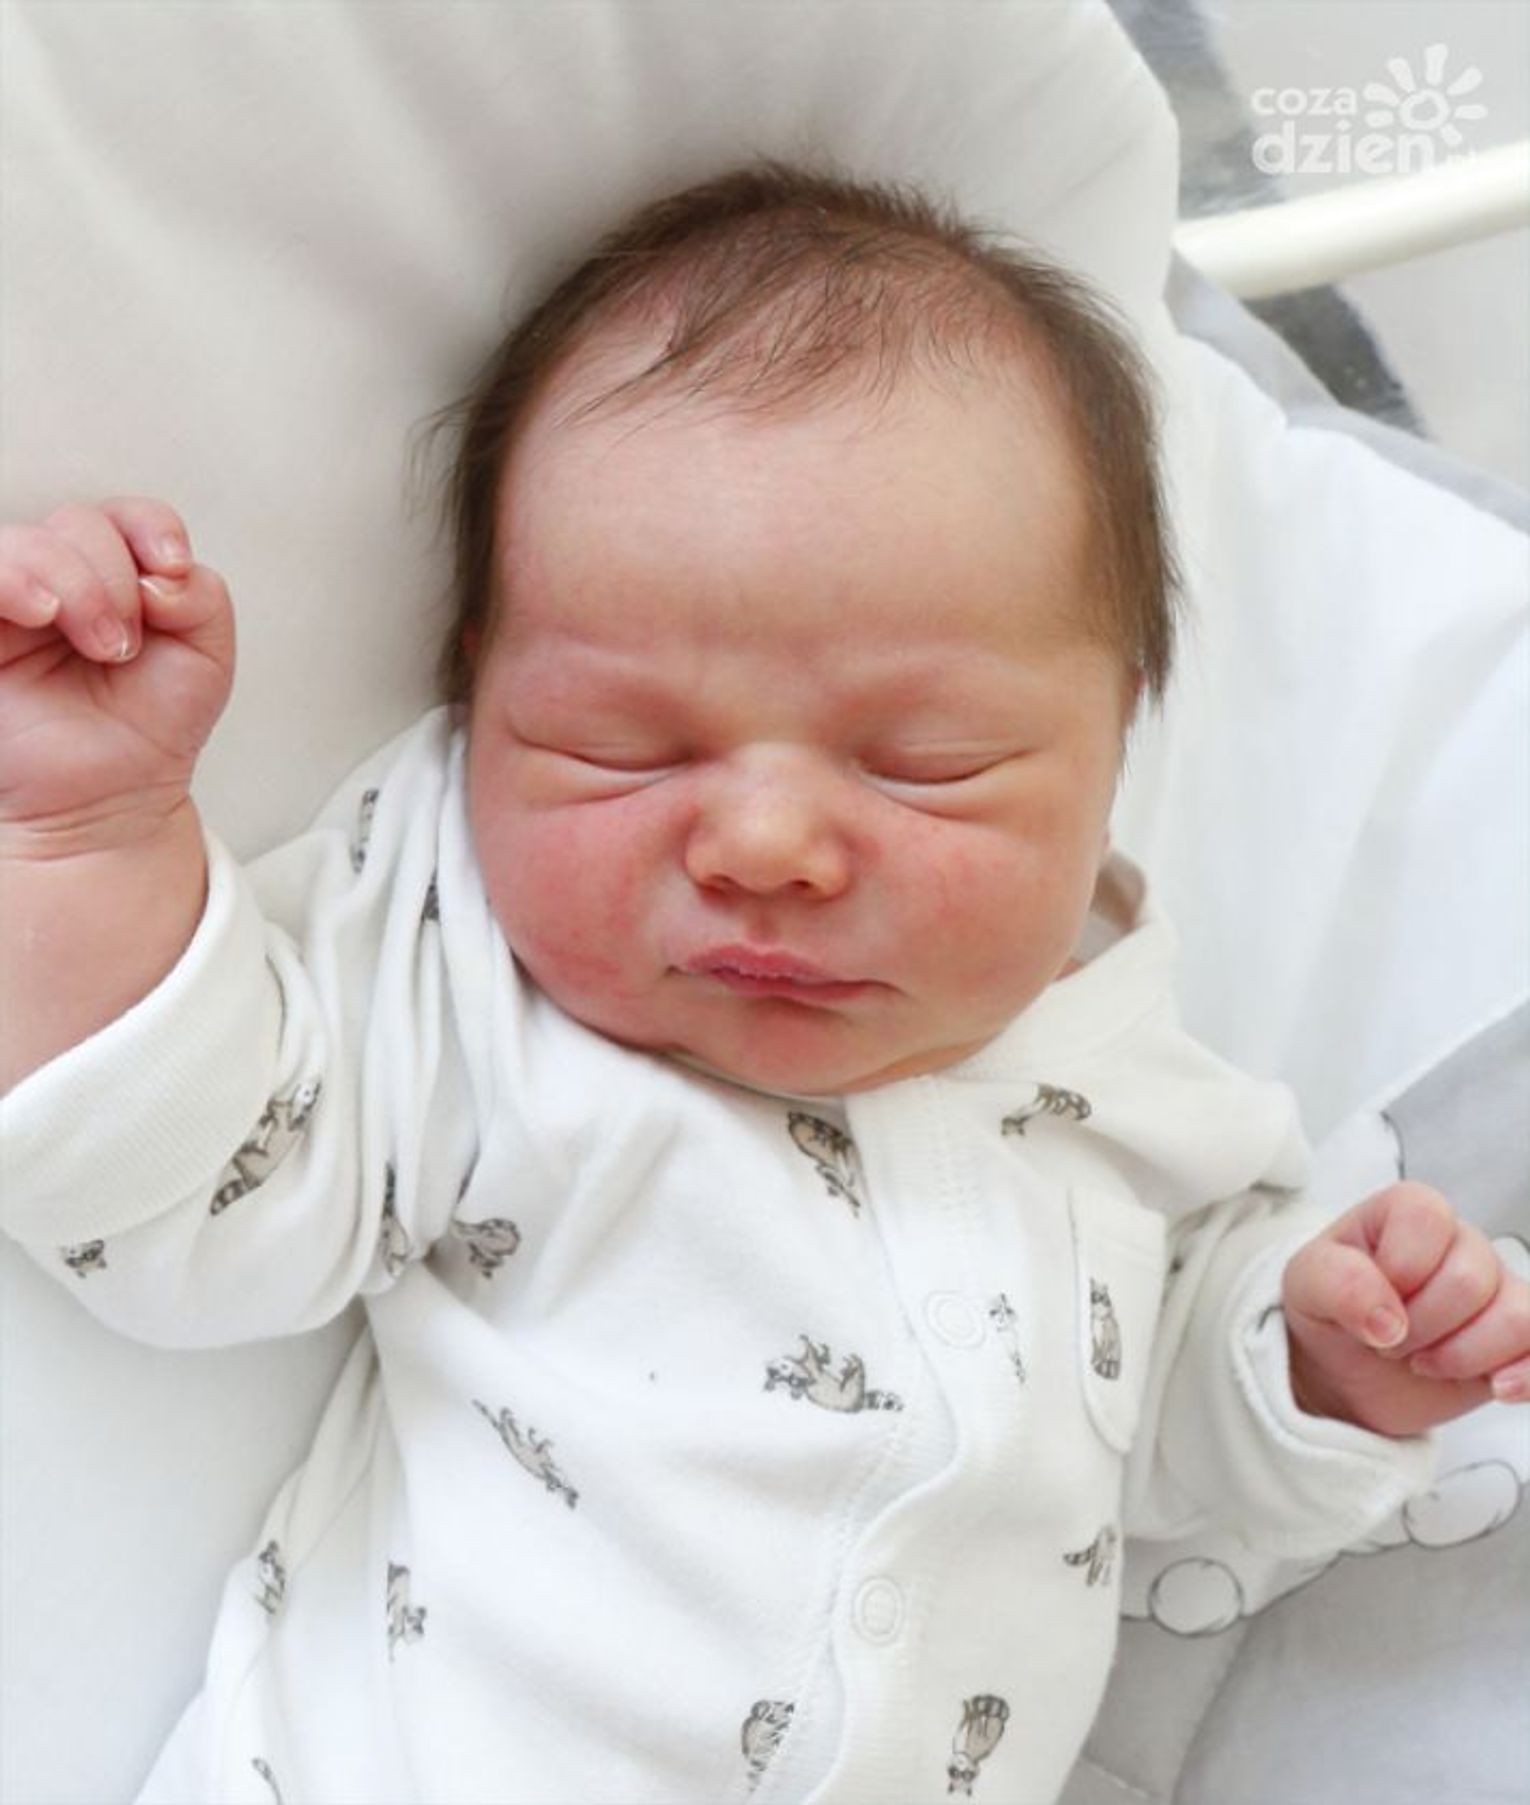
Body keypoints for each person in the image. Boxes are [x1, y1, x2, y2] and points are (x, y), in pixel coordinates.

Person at [2, 163, 1526, 1805]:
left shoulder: (1140, 1095)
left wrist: (1310, 1365)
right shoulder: (478, 996)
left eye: (922, 763)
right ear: (480, 706)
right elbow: (197, 1194)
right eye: (621, 747)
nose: (765, 845)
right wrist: (90, 835)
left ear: (1113, 741)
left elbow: (1149, 1442)